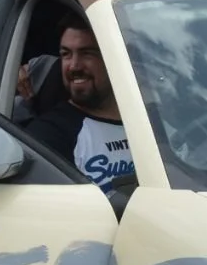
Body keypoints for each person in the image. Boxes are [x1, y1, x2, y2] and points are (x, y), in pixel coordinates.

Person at [22, 20, 134, 192]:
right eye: (66, 54)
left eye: (87, 53)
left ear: (115, 58)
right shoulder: (48, 135)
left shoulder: (153, 121)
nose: (74, 66)